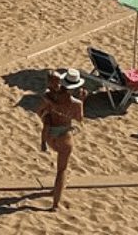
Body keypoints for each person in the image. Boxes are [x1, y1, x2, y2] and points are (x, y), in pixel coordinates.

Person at [37, 67, 87, 211]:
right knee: (62, 170)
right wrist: (82, 100)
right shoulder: (76, 103)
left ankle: (55, 190)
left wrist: (46, 120)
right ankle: (55, 204)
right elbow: (79, 119)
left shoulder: (51, 97)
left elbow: (39, 111)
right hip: (64, 137)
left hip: (50, 135)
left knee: (60, 170)